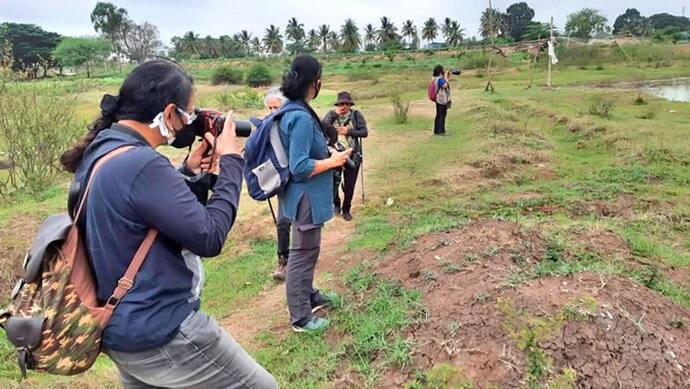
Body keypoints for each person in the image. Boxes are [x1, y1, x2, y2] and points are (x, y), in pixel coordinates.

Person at [60, 60, 277, 389]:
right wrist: (231, 161)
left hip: (119, 330)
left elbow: (138, 216)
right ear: (170, 112)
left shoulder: (104, 150)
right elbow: (209, 236)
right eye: (190, 112)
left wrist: (189, 174)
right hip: (161, 328)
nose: (190, 121)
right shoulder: (141, 162)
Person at [278, 54, 351, 332]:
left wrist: (328, 151)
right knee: (301, 253)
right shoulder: (301, 117)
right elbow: (299, 165)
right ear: (313, 83)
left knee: (309, 250)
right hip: (304, 197)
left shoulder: (296, 109)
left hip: (303, 197)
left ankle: (308, 295)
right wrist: (332, 162)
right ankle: (300, 317)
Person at [322, 91, 369, 221]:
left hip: (352, 155)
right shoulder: (331, 115)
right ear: (337, 104)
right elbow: (321, 129)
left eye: (346, 104)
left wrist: (349, 131)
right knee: (333, 182)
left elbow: (364, 132)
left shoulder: (356, 115)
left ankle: (346, 209)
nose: (343, 106)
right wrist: (333, 115)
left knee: (350, 185)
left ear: (350, 104)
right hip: (334, 154)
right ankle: (336, 204)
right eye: (341, 104)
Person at [263, 86, 291, 282]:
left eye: (277, 107)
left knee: (301, 219)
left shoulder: (293, 121)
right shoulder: (266, 125)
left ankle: (303, 255)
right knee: (282, 221)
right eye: (270, 108)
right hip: (281, 180)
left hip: (299, 175)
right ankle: (283, 260)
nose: (273, 112)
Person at [432, 64, 451, 136]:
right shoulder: (439, 79)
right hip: (441, 99)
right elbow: (445, 85)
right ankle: (441, 131)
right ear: (440, 71)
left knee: (438, 114)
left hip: (438, 99)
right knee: (442, 115)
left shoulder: (435, 78)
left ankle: (436, 131)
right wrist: (446, 78)